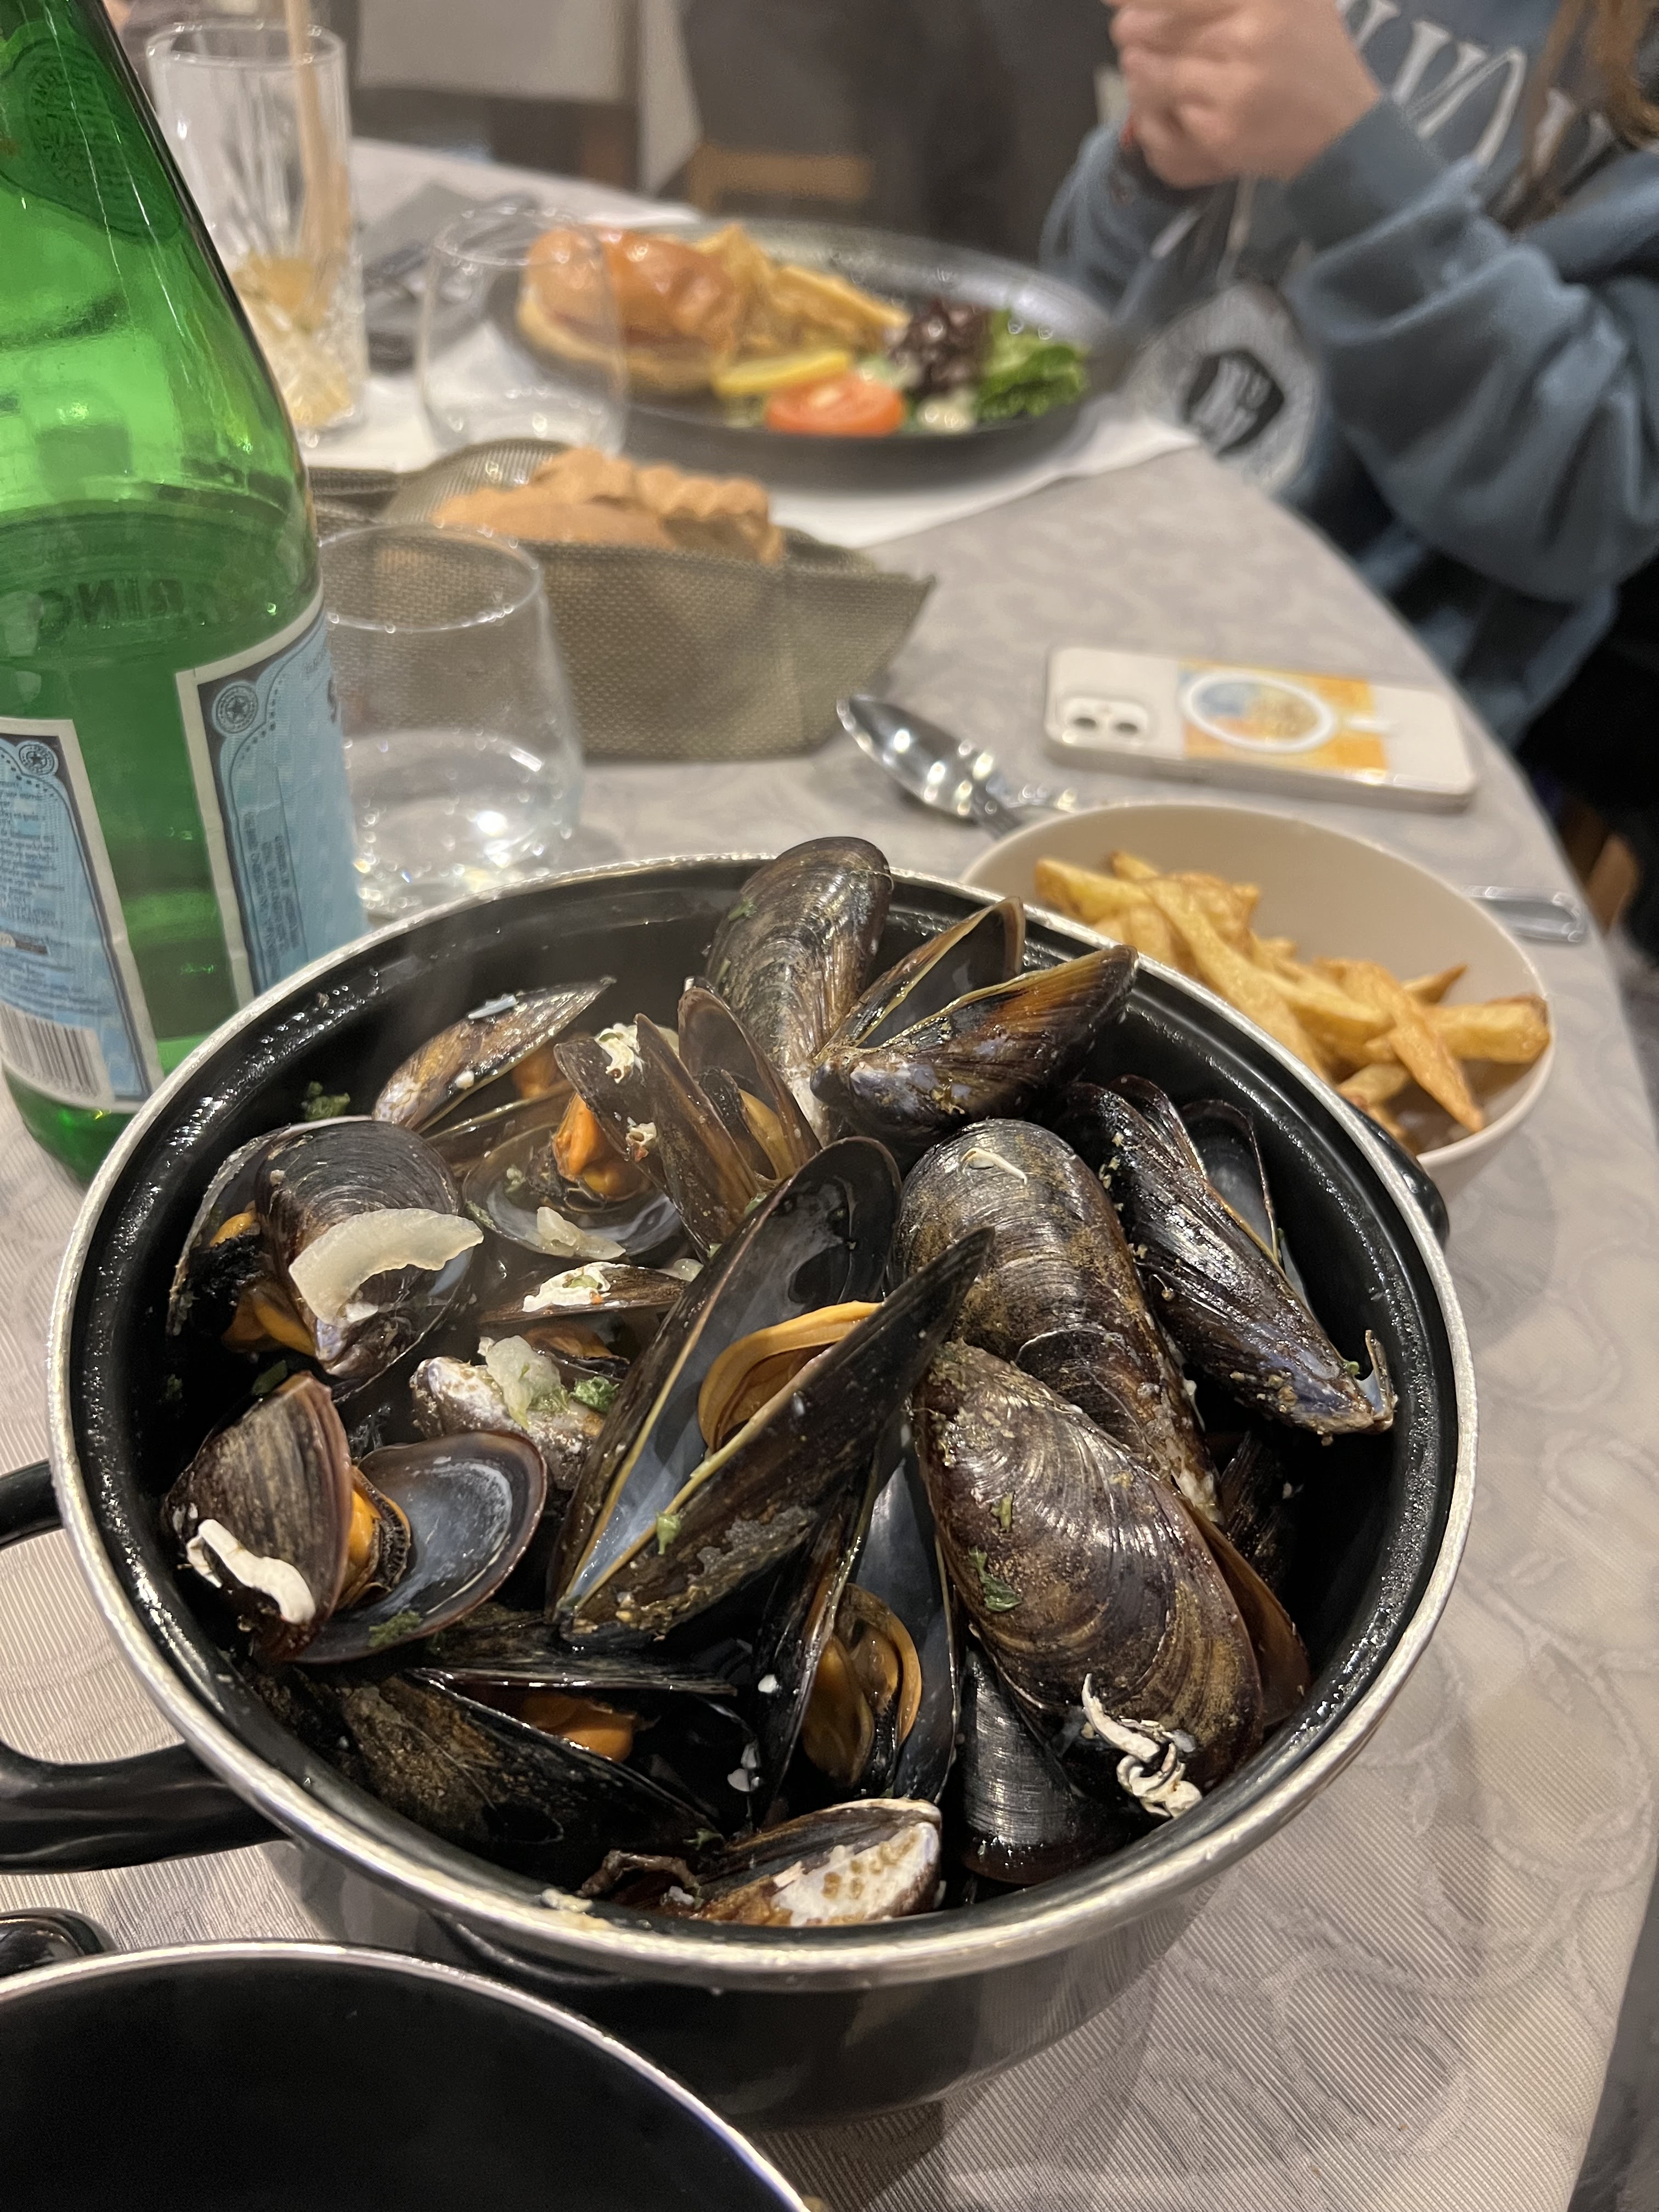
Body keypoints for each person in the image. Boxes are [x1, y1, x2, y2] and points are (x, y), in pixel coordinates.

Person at [1043, 0, 1659, 744]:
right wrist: (1149, 171)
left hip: (1334, 715)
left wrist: (1349, 164)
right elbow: (1079, 297)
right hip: (1076, 561)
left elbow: (1587, 504)